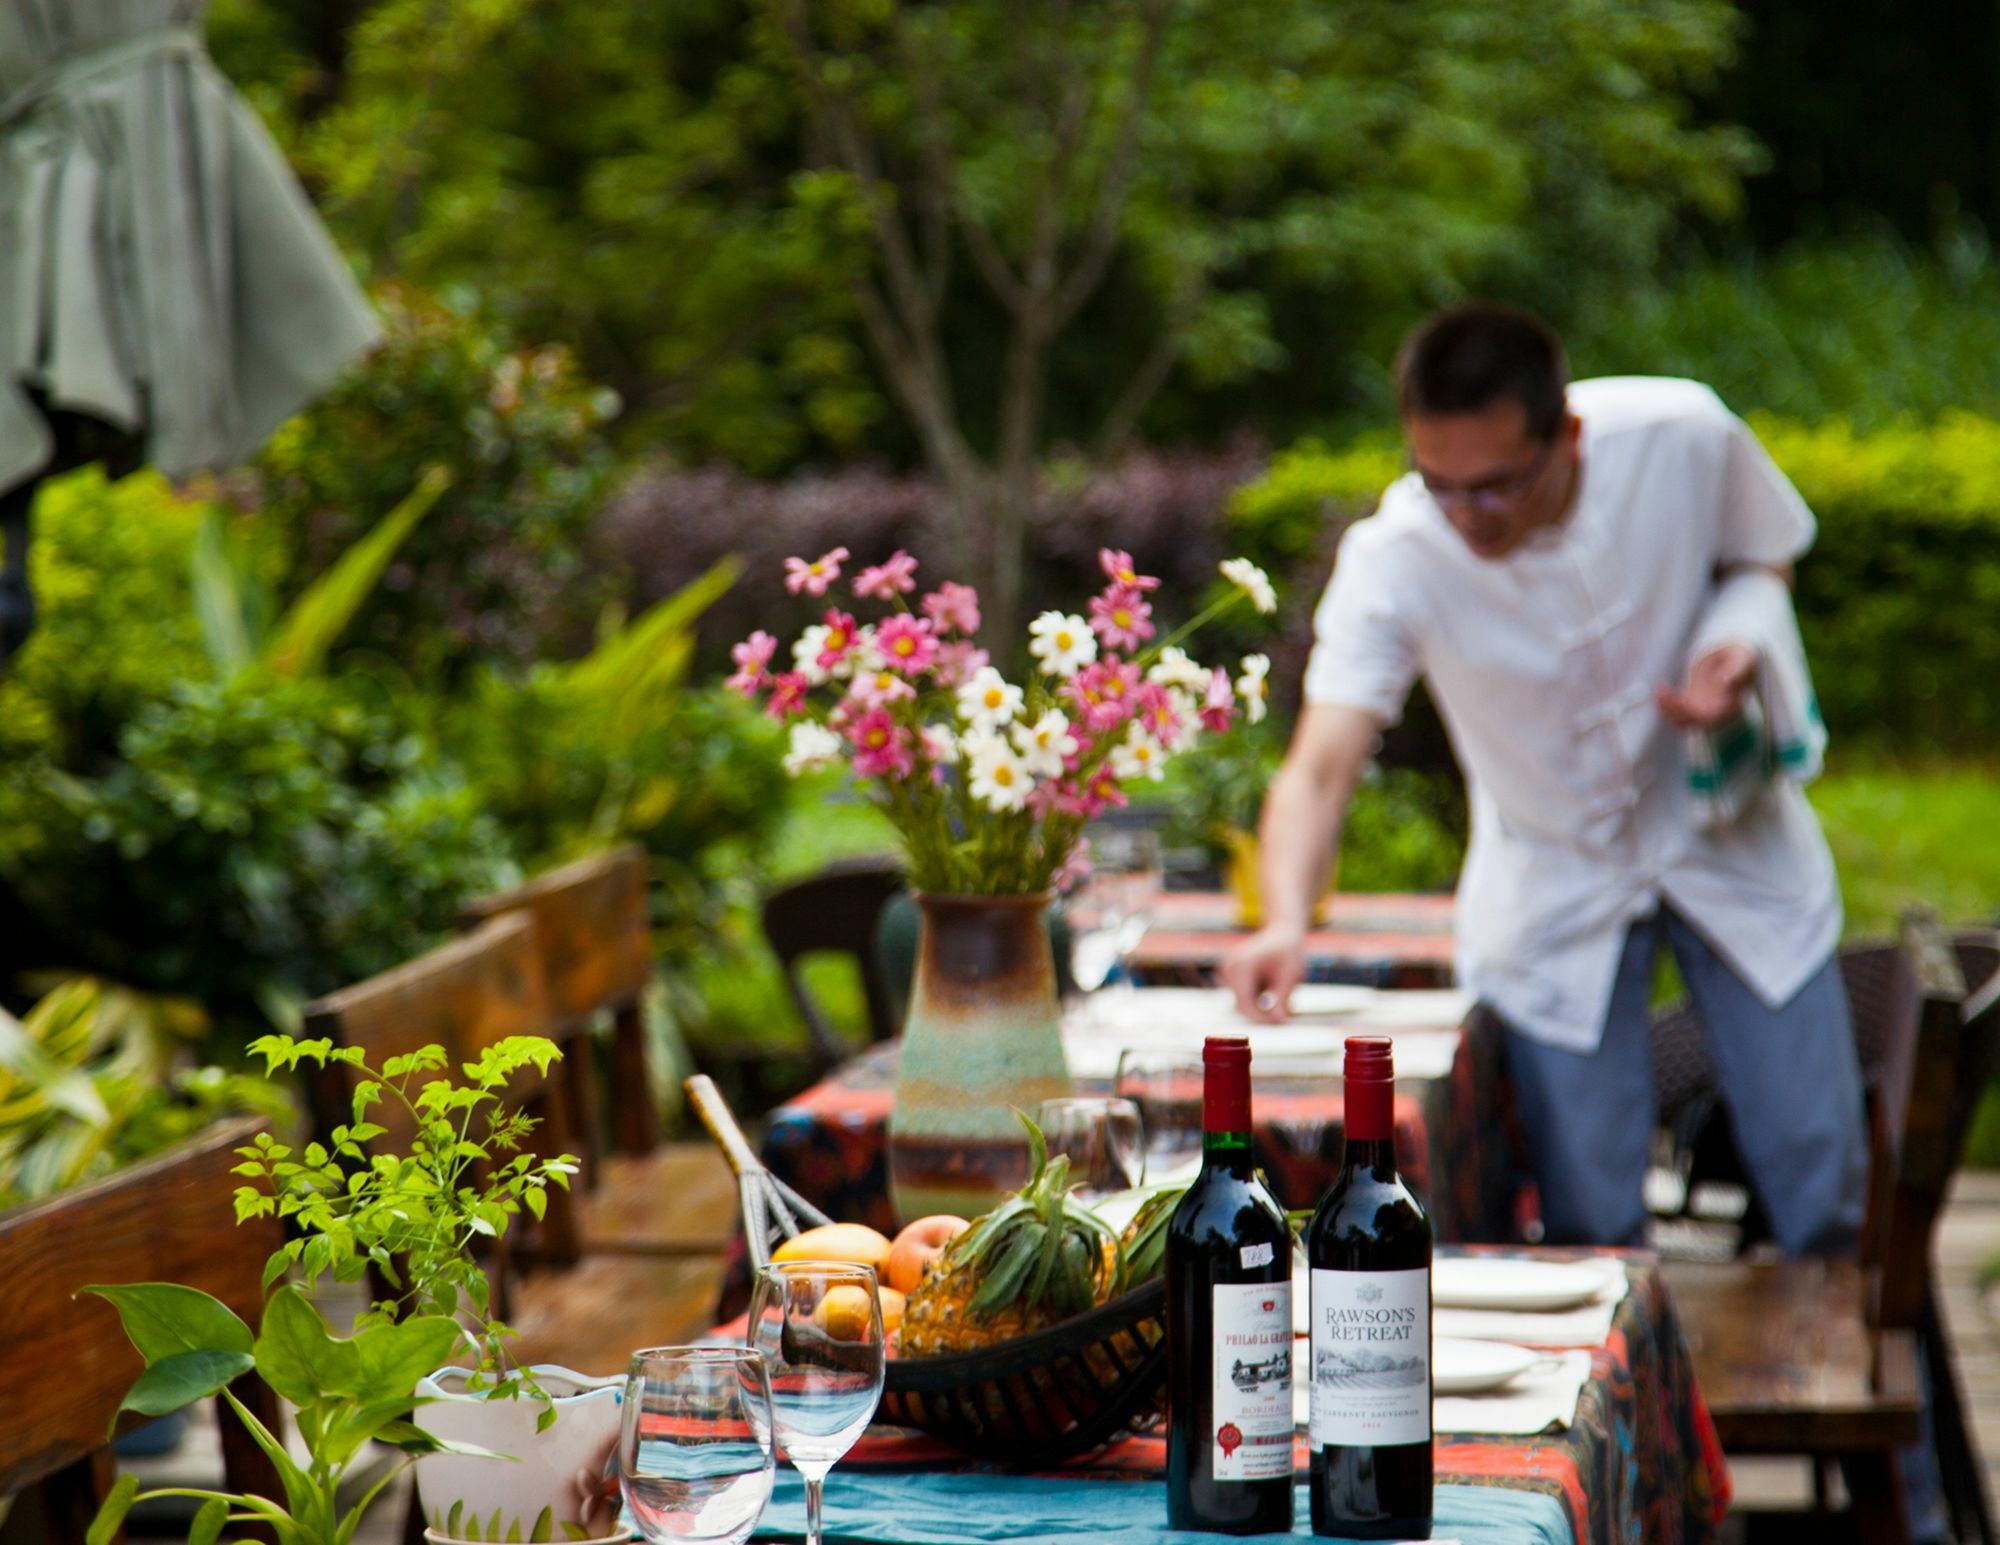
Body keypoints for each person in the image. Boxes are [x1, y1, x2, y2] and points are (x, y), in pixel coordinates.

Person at [1221, 302, 1868, 1259]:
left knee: (1822, 1190)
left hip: (1734, 846)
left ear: (1566, 433)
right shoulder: (1395, 555)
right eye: (1439, 484)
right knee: (1586, 1223)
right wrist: (1283, 920)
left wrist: (1736, 644)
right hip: (1553, 885)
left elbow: (1763, 554)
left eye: (1496, 486)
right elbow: (1320, 768)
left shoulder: (1683, 434)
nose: (1467, 516)